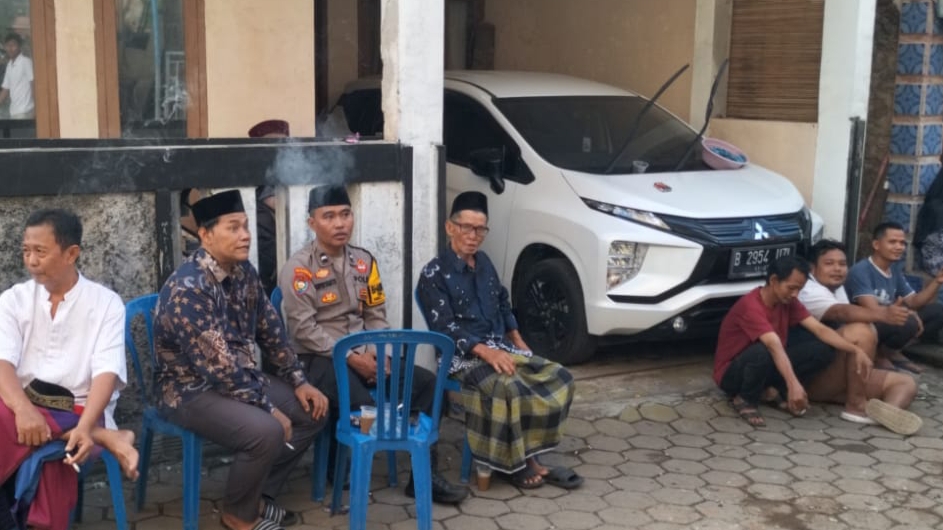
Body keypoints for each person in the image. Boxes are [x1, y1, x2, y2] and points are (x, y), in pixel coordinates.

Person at [279, 184, 467, 504]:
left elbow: (376, 314)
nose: (340, 224)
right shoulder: (299, 268)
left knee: (427, 385)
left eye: (345, 214)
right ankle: (343, 468)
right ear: (312, 223)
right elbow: (304, 329)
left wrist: (383, 355)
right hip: (317, 358)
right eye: (329, 217)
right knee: (361, 400)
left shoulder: (364, 262)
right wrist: (353, 357)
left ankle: (424, 475)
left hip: (367, 353)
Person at [154, 190, 329, 530]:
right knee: (265, 431)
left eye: (246, 226)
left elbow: (270, 329)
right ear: (205, 235)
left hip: (237, 379)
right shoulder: (189, 289)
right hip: (189, 390)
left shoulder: (243, 271)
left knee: (313, 411)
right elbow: (218, 368)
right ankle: (238, 515)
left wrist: (299, 380)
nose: (245, 235)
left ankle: (256, 496)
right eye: (233, 227)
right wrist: (267, 407)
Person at [416, 191, 583, 490]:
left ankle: (530, 453)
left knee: (559, 377)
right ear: (450, 227)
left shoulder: (485, 264)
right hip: (462, 357)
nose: (473, 236)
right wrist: (486, 352)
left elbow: (502, 302)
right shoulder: (434, 273)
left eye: (480, 229)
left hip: (500, 347)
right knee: (509, 386)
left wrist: (517, 340)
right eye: (467, 227)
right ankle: (512, 464)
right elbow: (444, 327)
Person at [0, 209, 139, 530]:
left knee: (52, 460)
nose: (31, 260)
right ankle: (108, 437)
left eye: (40, 251)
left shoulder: (106, 303)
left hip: (81, 408)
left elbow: (106, 373)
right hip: (20, 405)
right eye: (26, 251)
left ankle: (97, 432)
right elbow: (3, 361)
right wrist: (24, 410)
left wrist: (86, 427)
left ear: (71, 253)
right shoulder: (13, 300)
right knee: (35, 448)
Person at [715, 255, 872, 428]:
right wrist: (794, 385)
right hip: (732, 374)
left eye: (799, 289)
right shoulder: (750, 305)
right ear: (774, 281)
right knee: (762, 351)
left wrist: (855, 350)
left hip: (767, 362)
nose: (795, 294)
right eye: (791, 288)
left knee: (823, 348)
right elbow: (773, 346)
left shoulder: (789, 302)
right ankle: (745, 399)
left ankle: (773, 390)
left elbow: (819, 329)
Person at [798, 240, 922, 434]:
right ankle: (855, 405)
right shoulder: (808, 290)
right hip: (809, 378)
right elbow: (841, 312)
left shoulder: (836, 286)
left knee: (906, 384)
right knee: (861, 331)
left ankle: (888, 412)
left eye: (842, 264)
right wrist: (883, 314)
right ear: (812, 269)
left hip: (839, 372)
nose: (837, 269)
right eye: (829, 263)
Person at [846, 221, 943, 374]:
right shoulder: (861, 271)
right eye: (892, 242)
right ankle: (879, 353)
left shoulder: (893, 270)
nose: (899, 247)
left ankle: (892, 351)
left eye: (902, 243)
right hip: (866, 323)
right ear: (876, 245)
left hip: (888, 317)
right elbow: (873, 310)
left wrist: (938, 281)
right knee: (908, 321)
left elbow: (914, 301)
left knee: (937, 311)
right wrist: (909, 313)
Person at [249, 119, 290, 296]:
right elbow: (272, 200)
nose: (280, 148)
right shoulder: (260, 167)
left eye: (284, 142)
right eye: (274, 142)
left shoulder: (289, 164)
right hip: (265, 231)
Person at [0, 33, 34, 120]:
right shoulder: (9, 65)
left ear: (19, 46)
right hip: (14, 112)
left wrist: (37, 109)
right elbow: (5, 90)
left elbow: (33, 84)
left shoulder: (25, 62)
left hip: (26, 111)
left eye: (13, 45)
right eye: (8, 45)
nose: (10, 48)